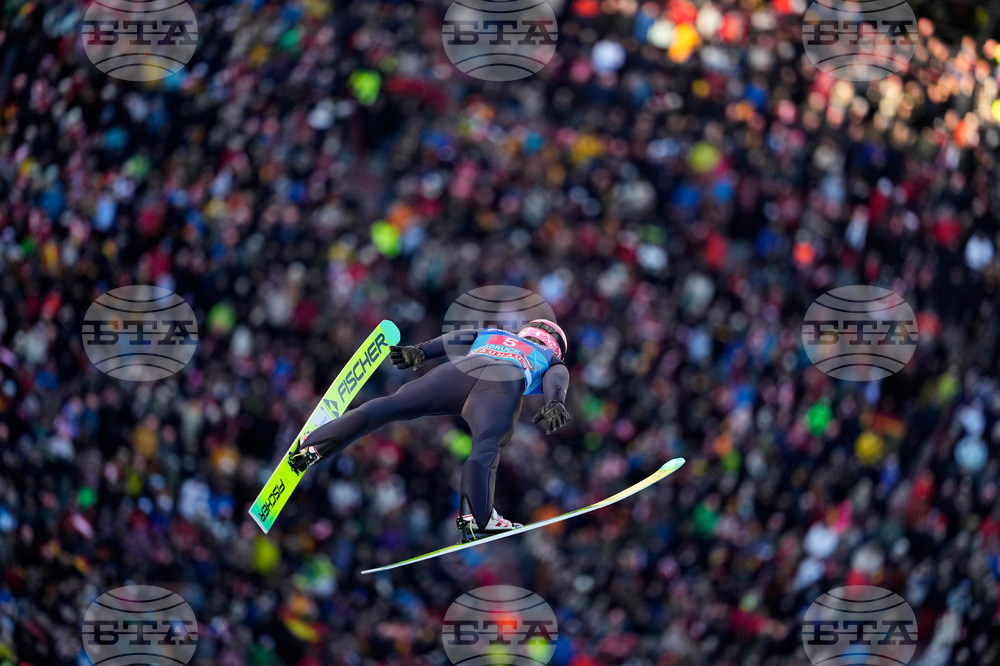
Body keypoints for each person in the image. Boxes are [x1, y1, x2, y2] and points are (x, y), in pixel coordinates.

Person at [288, 319, 573, 541]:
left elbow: (459, 337)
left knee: (388, 407)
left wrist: (421, 351)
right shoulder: (547, 355)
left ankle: (312, 446)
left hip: (457, 373)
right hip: (501, 385)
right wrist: (556, 401)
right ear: (556, 345)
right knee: (486, 446)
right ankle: (477, 519)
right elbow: (557, 373)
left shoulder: (498, 334)